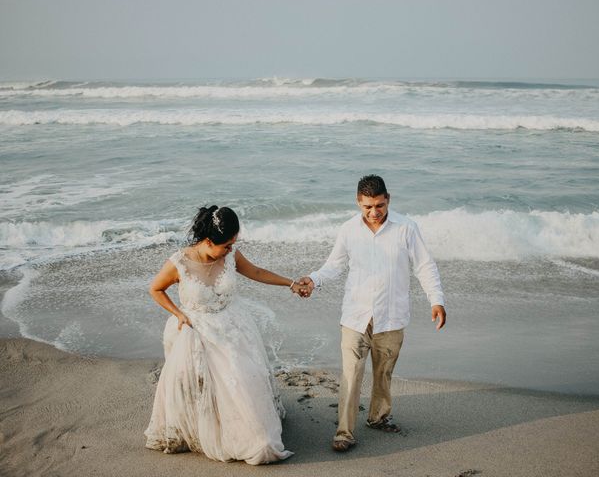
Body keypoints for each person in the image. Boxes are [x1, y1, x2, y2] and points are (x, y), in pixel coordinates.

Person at [144, 205, 307, 465]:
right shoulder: (180, 262)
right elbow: (156, 289)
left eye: (233, 244)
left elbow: (256, 272)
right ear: (208, 241)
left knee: (241, 382)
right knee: (205, 387)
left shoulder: (231, 256)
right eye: (226, 246)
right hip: (198, 333)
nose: (231, 250)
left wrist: (291, 284)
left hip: (234, 329)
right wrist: (178, 314)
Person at [299, 175, 446, 452]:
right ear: (358, 202)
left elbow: (425, 266)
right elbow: (334, 265)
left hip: (391, 317)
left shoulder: (406, 228)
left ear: (388, 199)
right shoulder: (348, 230)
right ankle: (344, 432)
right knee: (351, 374)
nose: (374, 212)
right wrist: (314, 280)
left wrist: (436, 301)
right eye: (367, 206)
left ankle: (378, 417)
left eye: (379, 205)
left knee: (383, 373)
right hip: (355, 316)